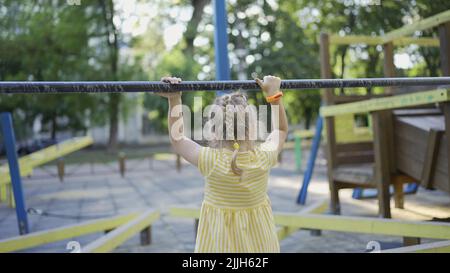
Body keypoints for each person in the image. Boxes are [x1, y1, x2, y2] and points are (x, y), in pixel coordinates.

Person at [155, 75, 288, 253]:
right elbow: (280, 130)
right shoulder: (263, 158)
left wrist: (175, 98)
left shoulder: (211, 160)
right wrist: (273, 93)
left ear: (214, 131)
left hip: (218, 246)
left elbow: (178, 139)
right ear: (253, 127)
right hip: (260, 246)